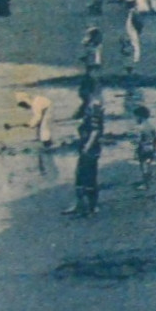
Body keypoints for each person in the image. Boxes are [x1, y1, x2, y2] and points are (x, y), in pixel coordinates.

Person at [65, 90, 105, 218]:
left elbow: (95, 131)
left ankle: (91, 207)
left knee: (88, 177)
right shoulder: (90, 108)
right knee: (81, 176)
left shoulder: (95, 109)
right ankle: (81, 204)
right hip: (87, 147)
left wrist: (87, 146)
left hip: (90, 149)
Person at [132, 105, 156, 193]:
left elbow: (138, 140)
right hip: (150, 147)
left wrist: (135, 150)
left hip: (143, 148)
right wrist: (154, 147)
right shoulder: (151, 126)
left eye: (135, 116)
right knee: (148, 164)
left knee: (143, 166)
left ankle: (145, 184)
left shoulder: (139, 127)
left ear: (140, 116)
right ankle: (148, 181)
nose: (135, 119)